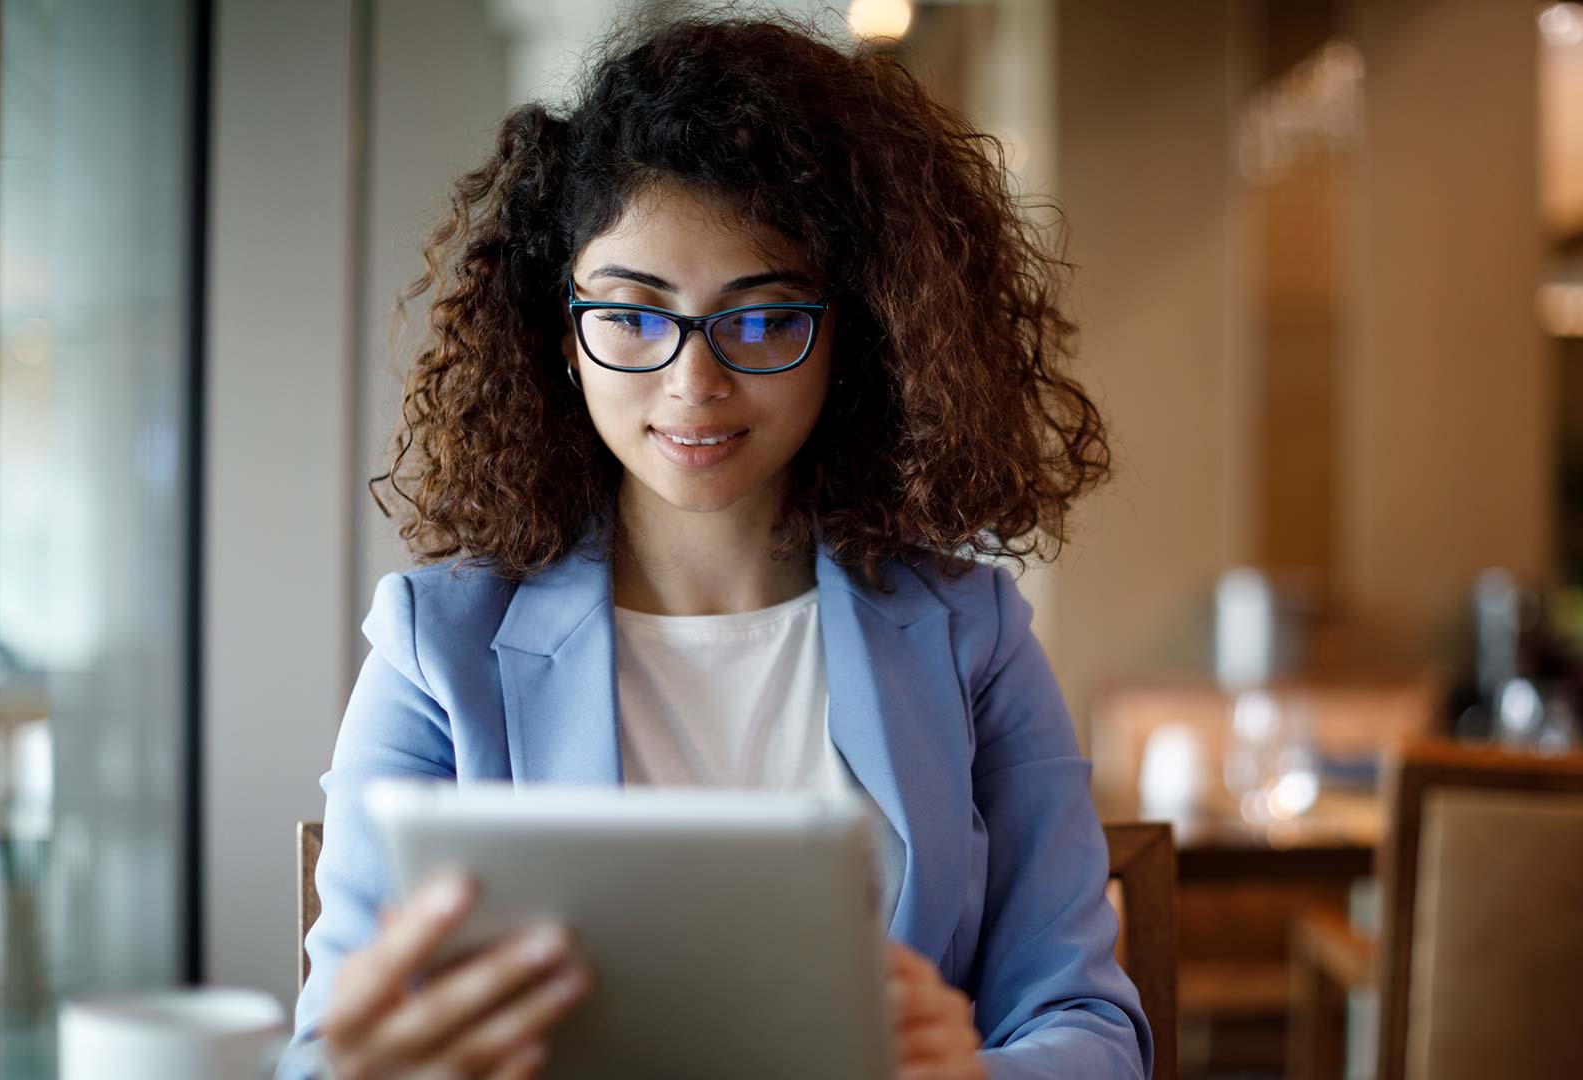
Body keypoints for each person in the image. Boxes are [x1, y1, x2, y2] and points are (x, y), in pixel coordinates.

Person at [286, 13, 1148, 1080]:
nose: (694, 383)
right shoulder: (437, 647)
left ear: (854, 336)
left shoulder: (973, 635)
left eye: (762, 318)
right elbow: (325, 1059)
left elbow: (1088, 1028)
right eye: (634, 315)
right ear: (564, 334)